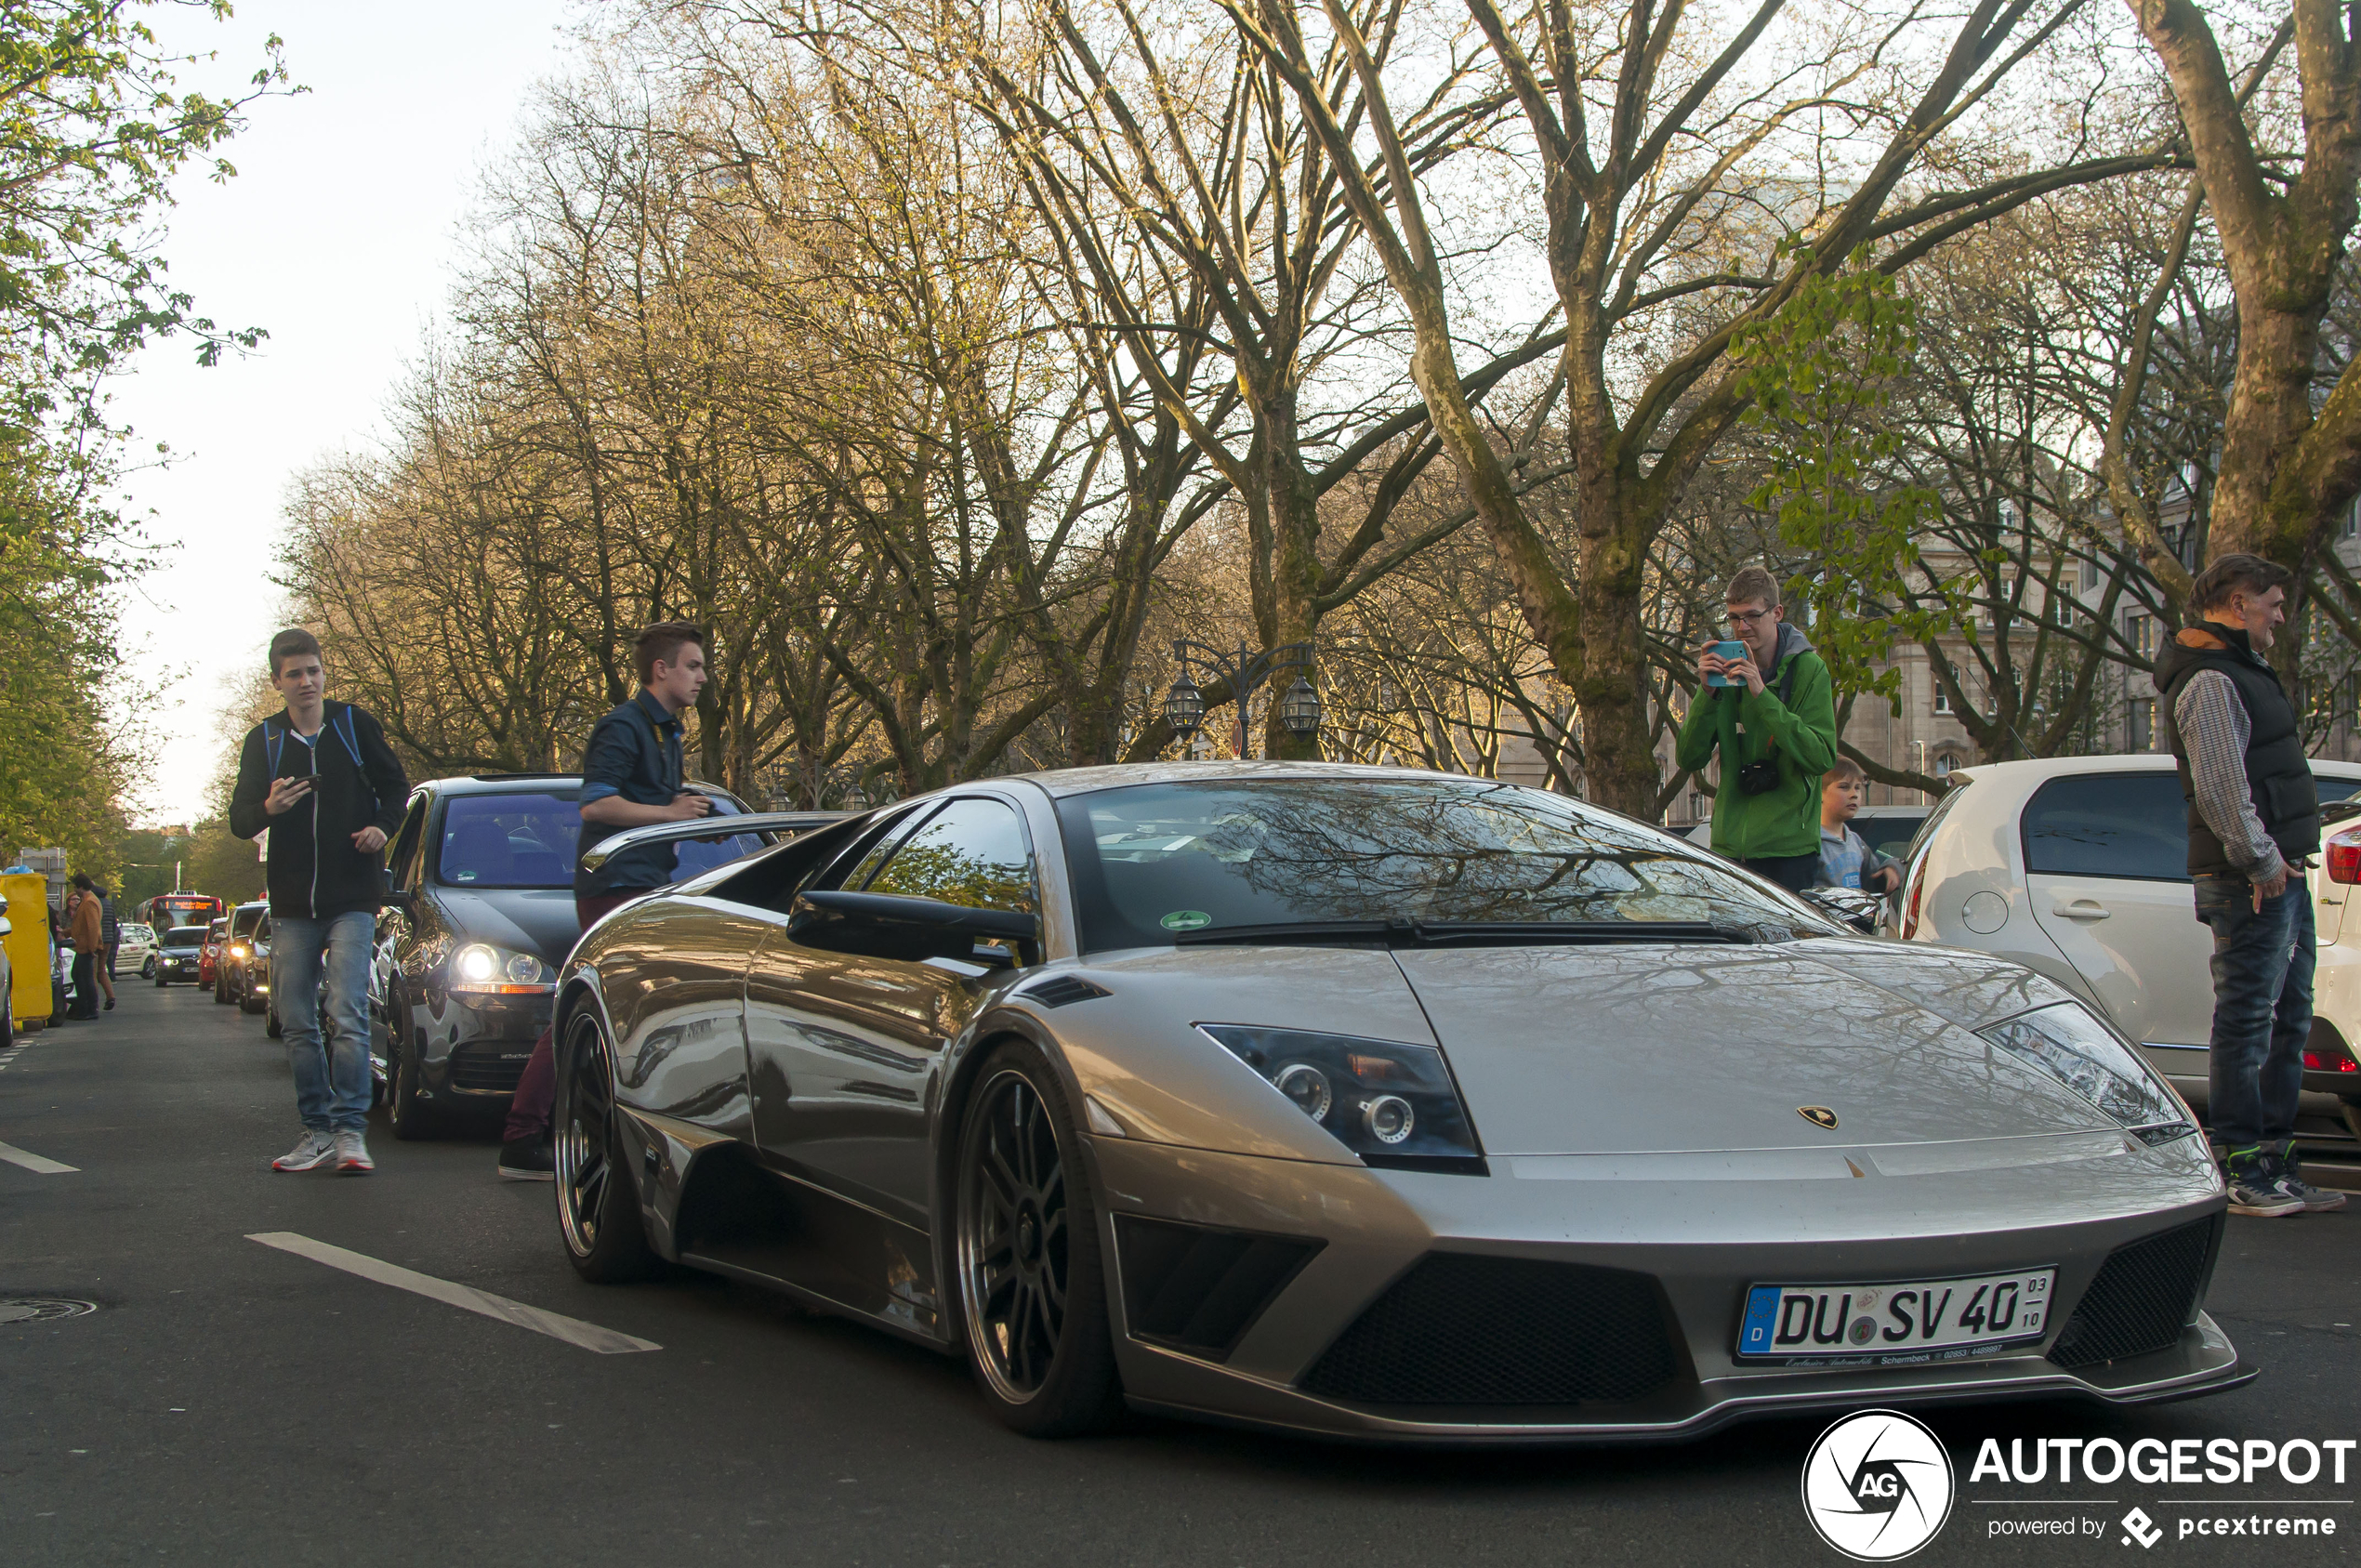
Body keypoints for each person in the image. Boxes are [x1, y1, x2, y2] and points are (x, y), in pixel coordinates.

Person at [2156, 555, 2345, 1218]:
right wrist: (2262, 860)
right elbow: (2221, 788)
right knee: (2247, 1021)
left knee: (2289, 1021)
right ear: (2240, 604)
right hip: (2252, 880)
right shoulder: (2210, 678)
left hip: (2280, 874)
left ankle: (2275, 1157)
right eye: (2274, 601)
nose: (2281, 614)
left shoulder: (2241, 669)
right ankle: (2240, 1162)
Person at [498, 621, 713, 1180]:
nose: (702, 677)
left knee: (629, 1012)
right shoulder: (622, 726)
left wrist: (690, 813)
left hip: (646, 886)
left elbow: (655, 804)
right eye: (692, 665)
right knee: (591, 1010)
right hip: (615, 887)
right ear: (660, 670)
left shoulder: (669, 732)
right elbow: (596, 806)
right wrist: (669, 814)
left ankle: (611, 1131)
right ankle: (523, 1137)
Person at [228, 628, 410, 1176]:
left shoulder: (354, 725)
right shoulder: (264, 740)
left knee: (347, 1011)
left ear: (323, 672)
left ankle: (352, 1131)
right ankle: (317, 1130)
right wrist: (269, 805)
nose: (307, 682)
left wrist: (382, 827)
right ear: (277, 682)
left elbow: (396, 787)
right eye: (294, 675)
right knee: (297, 1019)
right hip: (289, 906)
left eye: (314, 671)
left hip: (353, 897)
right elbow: (240, 820)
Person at [1674, 565, 1840, 892]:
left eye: (1752, 616)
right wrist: (1706, 694)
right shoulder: (1724, 669)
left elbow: (1821, 757)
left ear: (1777, 612)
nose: (1742, 627)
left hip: (1789, 850)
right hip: (1730, 848)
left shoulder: (1809, 669)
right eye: (1734, 618)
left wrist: (1761, 695)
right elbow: (1689, 757)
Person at [1815, 758, 1901, 893]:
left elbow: (1873, 880)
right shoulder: (1812, 843)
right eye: (1844, 787)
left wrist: (1891, 869)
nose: (1853, 794)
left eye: (1857, 788)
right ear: (1819, 793)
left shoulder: (1855, 841)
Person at [64, 876, 103, 1020]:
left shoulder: (89, 903)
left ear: (81, 887)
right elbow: (80, 926)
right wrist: (65, 932)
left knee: (84, 978)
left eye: (75, 887)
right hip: (83, 946)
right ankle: (84, 1008)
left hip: (86, 948)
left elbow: (92, 927)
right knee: (79, 976)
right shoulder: (88, 902)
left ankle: (89, 1009)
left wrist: (92, 948)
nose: (75, 890)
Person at [96, 882, 118, 1010]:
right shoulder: (109, 904)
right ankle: (110, 996)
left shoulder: (95, 903)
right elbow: (114, 924)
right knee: (102, 970)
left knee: (93, 972)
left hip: (97, 939)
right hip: (109, 939)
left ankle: (94, 1001)